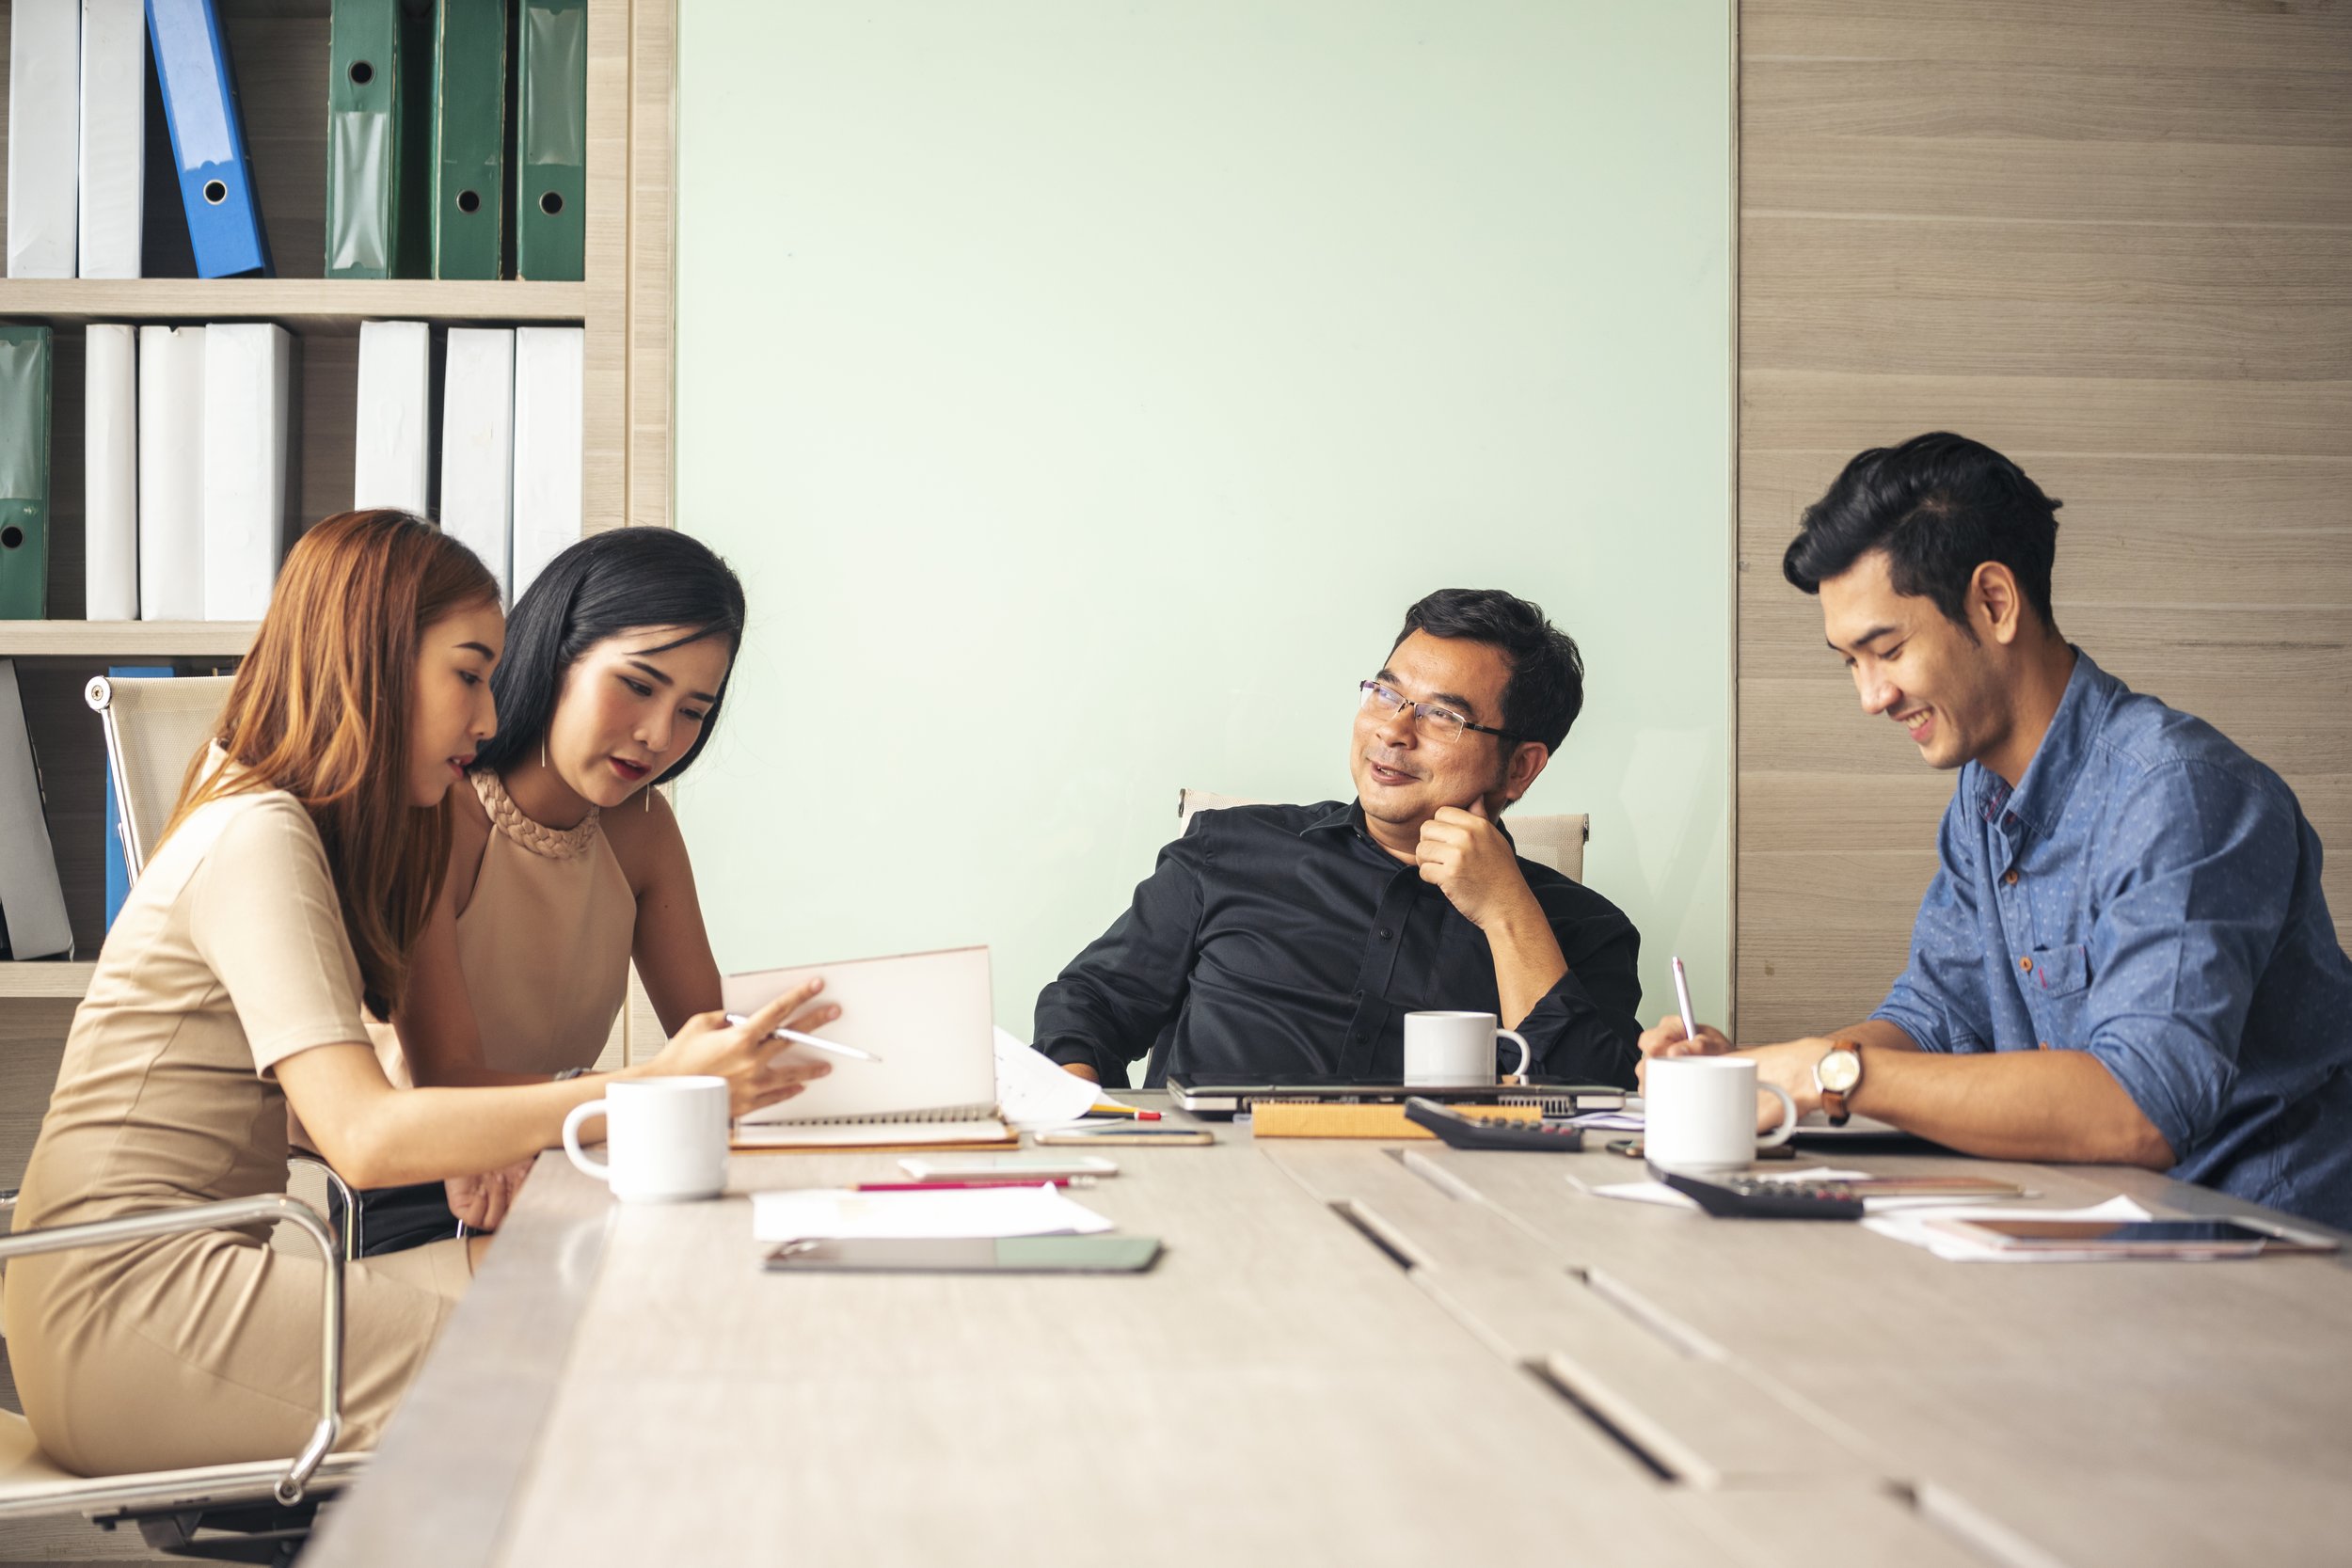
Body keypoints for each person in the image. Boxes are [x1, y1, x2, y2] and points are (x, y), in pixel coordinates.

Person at [0, 512, 831, 1476]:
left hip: (193, 1271)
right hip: (129, 1305)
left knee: (614, 1289)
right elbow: (365, 1133)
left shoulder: (288, 824)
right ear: (376, 658)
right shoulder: (256, 835)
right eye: (470, 673)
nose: (486, 716)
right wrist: (652, 1087)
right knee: (622, 1360)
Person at [1648, 433, 2352, 1227]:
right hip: (2098, 1239)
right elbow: (1931, 1021)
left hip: (2271, 1261)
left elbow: (2139, 1108)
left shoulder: (2181, 794)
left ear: (1994, 602)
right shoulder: (1984, 798)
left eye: (1887, 650)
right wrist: (1752, 1078)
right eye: (1849, 661)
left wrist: (1828, 1073)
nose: (1871, 697)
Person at [1035, 588, 1642, 1088]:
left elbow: (1586, 1110)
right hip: (1216, 1197)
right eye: (1386, 693)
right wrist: (1092, 1116)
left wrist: (1508, 912)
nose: (1394, 729)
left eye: (1443, 716)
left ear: (1520, 768)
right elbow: (1087, 1006)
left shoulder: (1584, 933)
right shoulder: (1230, 850)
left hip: (1442, 1218)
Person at [354, 528, 766, 1255]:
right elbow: (447, 1077)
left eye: (693, 711)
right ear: (554, 655)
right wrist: (655, 1087)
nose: (657, 734)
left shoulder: (640, 826)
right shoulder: (436, 814)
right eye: (638, 685)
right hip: (434, 1194)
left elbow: (703, 1037)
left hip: (575, 1169)